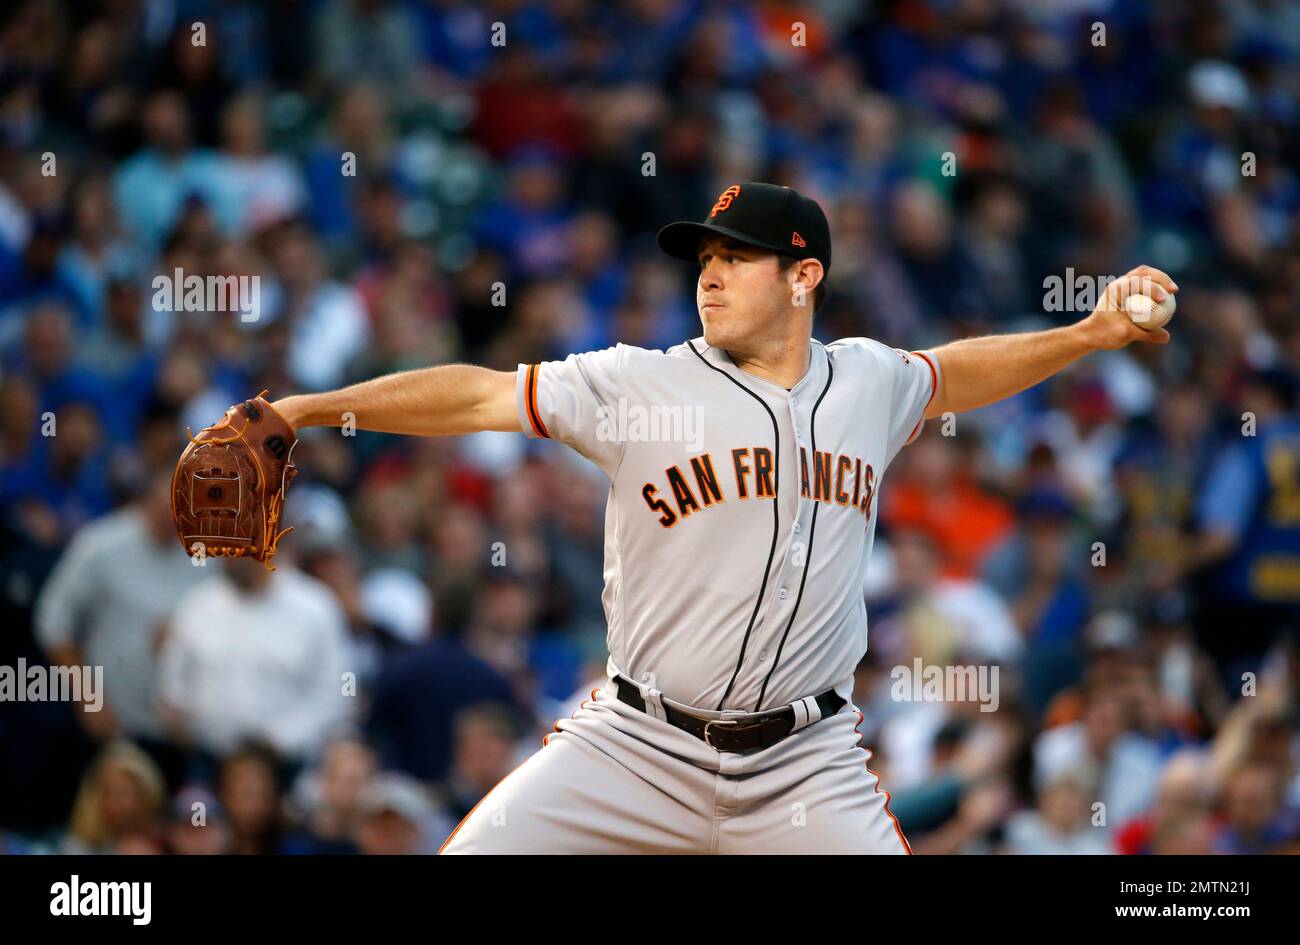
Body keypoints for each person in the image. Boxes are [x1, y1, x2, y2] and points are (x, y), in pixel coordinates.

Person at [267, 182, 1176, 854]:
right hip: (637, 743)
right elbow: (476, 397)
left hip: (804, 761)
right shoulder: (641, 383)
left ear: (802, 276)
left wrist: (1088, 335)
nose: (710, 275)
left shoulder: (869, 380)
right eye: (704, 259)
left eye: (735, 258)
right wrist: (305, 409)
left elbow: (960, 372)